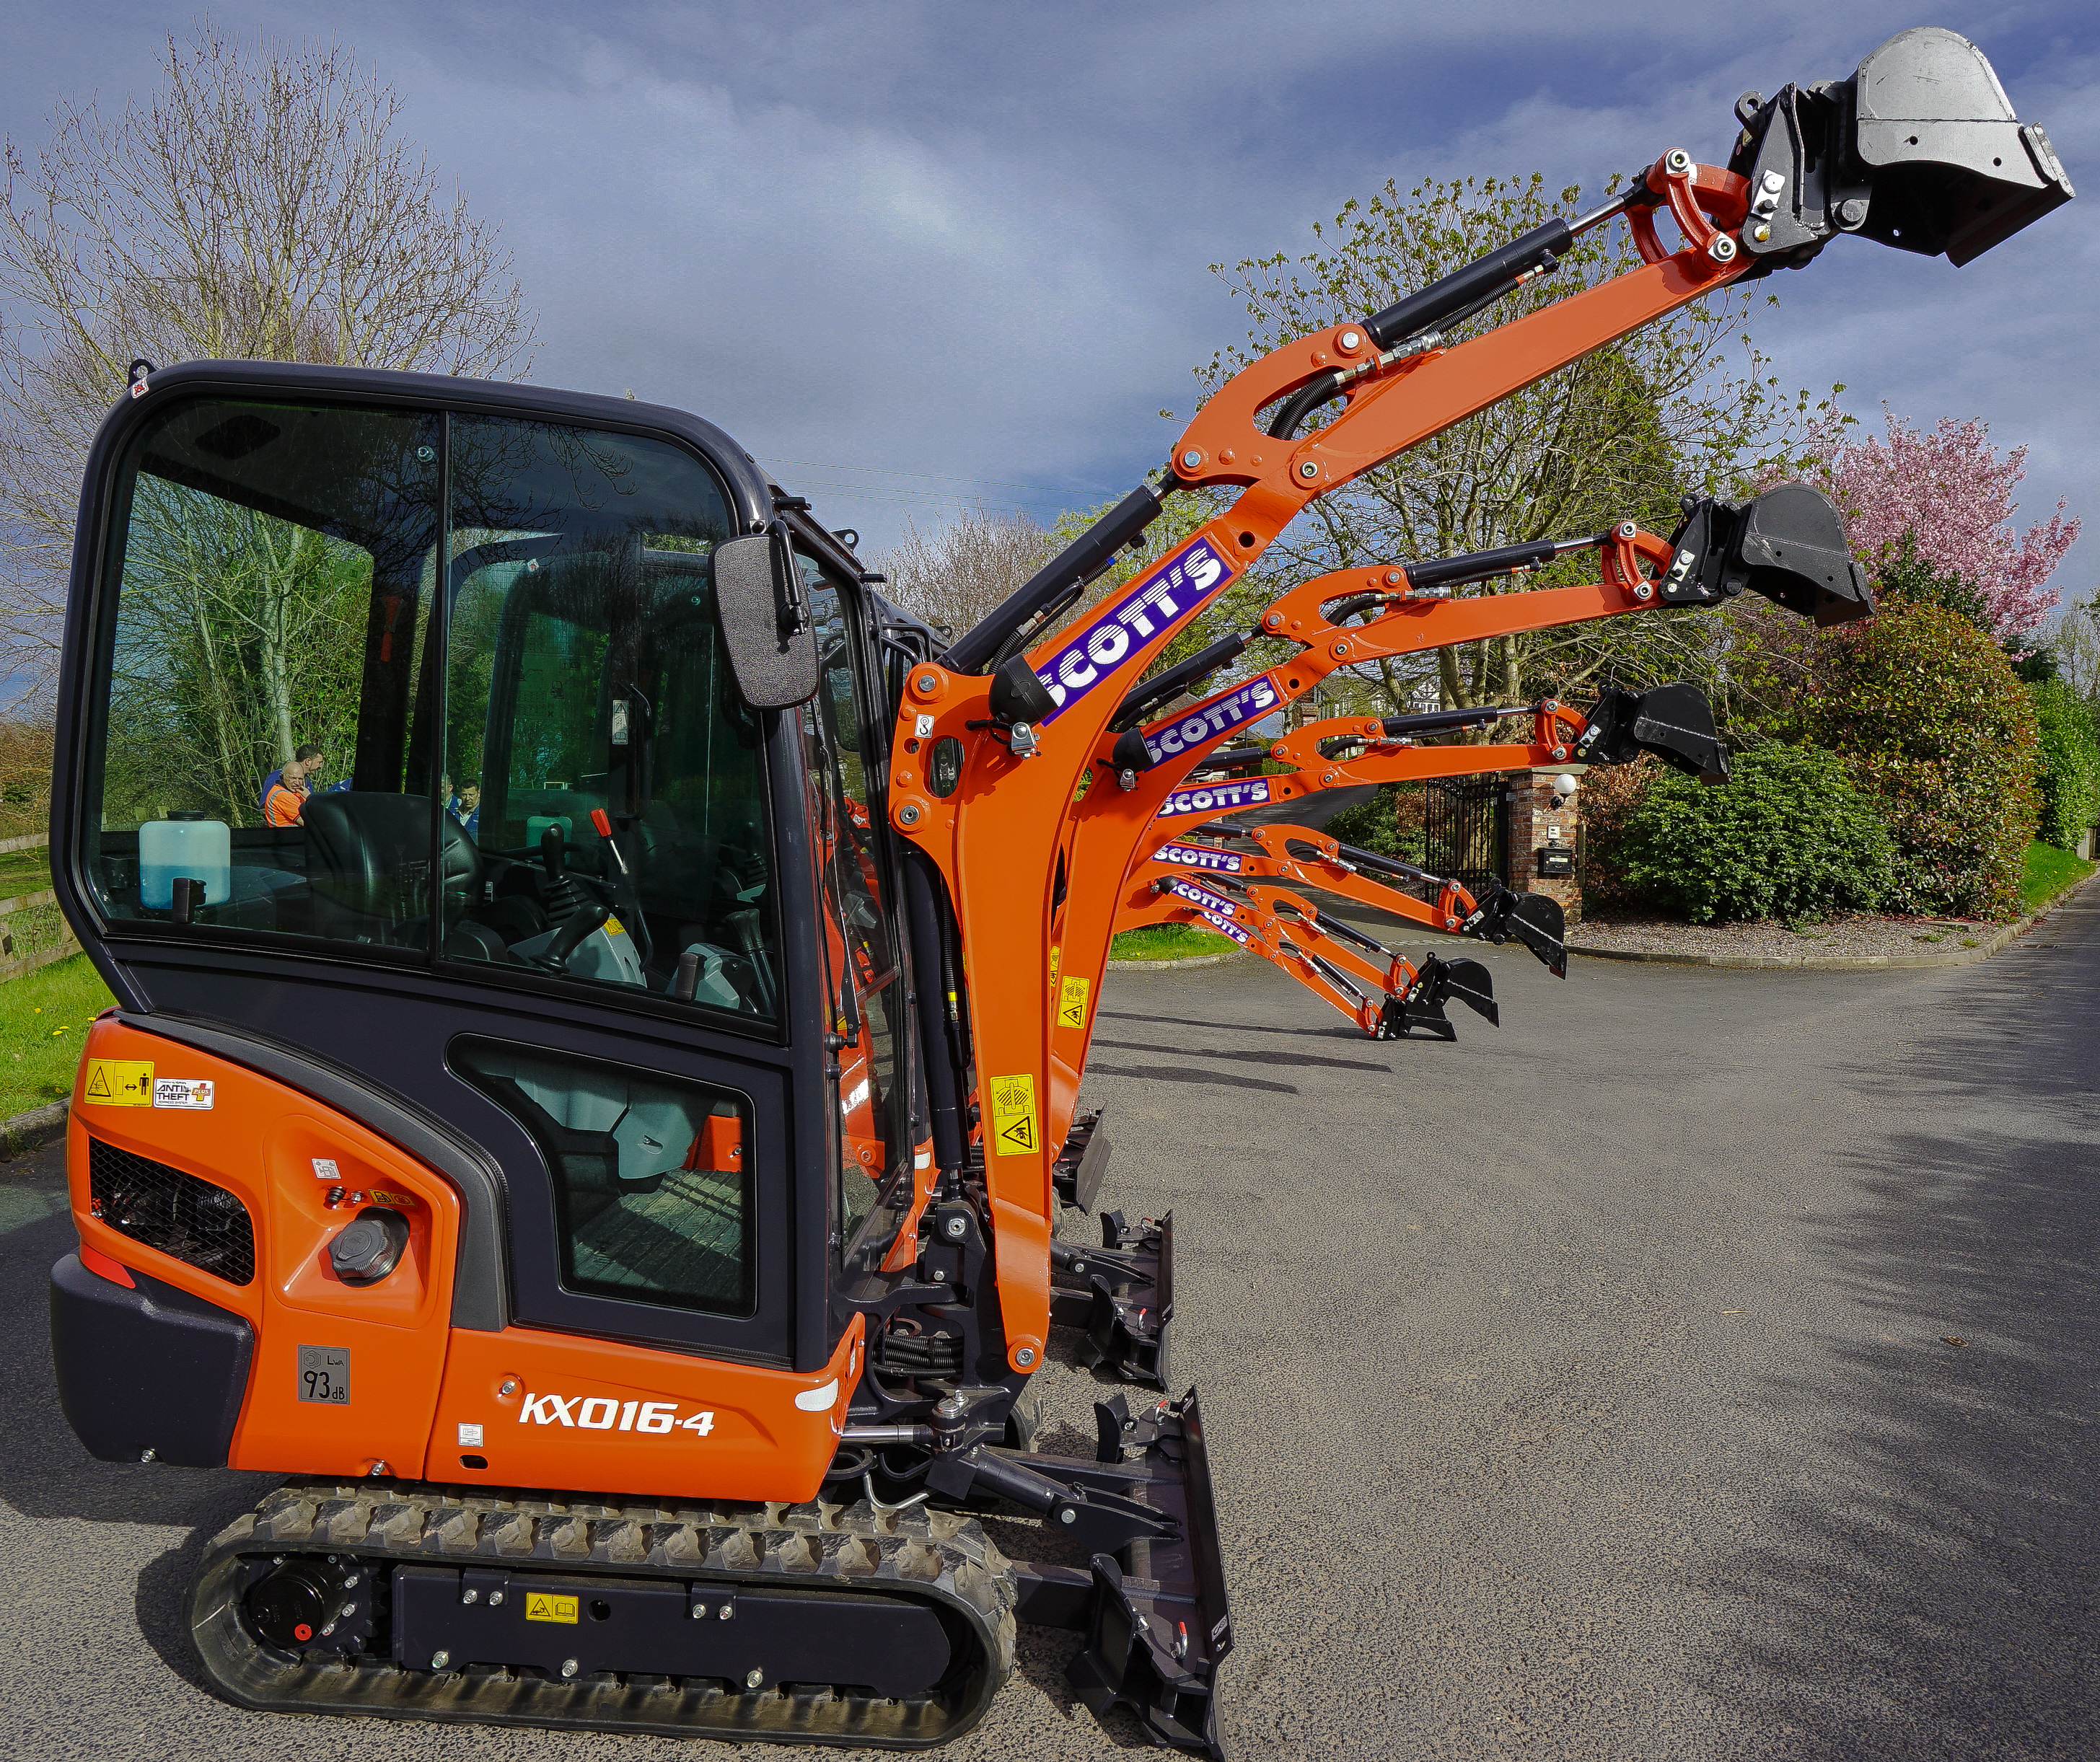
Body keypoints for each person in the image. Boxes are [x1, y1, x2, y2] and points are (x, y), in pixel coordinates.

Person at [261, 743, 328, 814]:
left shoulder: (308, 781)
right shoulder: (277, 775)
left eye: (300, 779)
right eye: (319, 762)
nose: (320, 766)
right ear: (308, 761)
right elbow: (265, 807)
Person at [263, 757, 308, 827]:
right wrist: (310, 798)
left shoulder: (296, 792)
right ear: (282, 777)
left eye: (300, 779)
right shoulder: (282, 795)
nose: (297, 782)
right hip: (288, 836)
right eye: (292, 778)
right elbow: (307, 823)